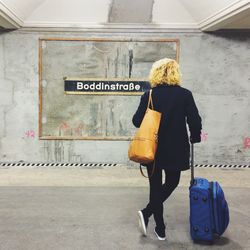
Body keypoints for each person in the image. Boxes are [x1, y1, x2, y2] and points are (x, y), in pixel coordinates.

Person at [132, 58, 202, 240]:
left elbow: (136, 121)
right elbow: (194, 120)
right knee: (172, 182)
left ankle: (158, 225)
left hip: (152, 148)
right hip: (177, 148)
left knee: (155, 186)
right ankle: (149, 217)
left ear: (155, 73)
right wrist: (195, 136)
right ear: (175, 74)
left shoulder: (149, 96)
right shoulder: (185, 95)